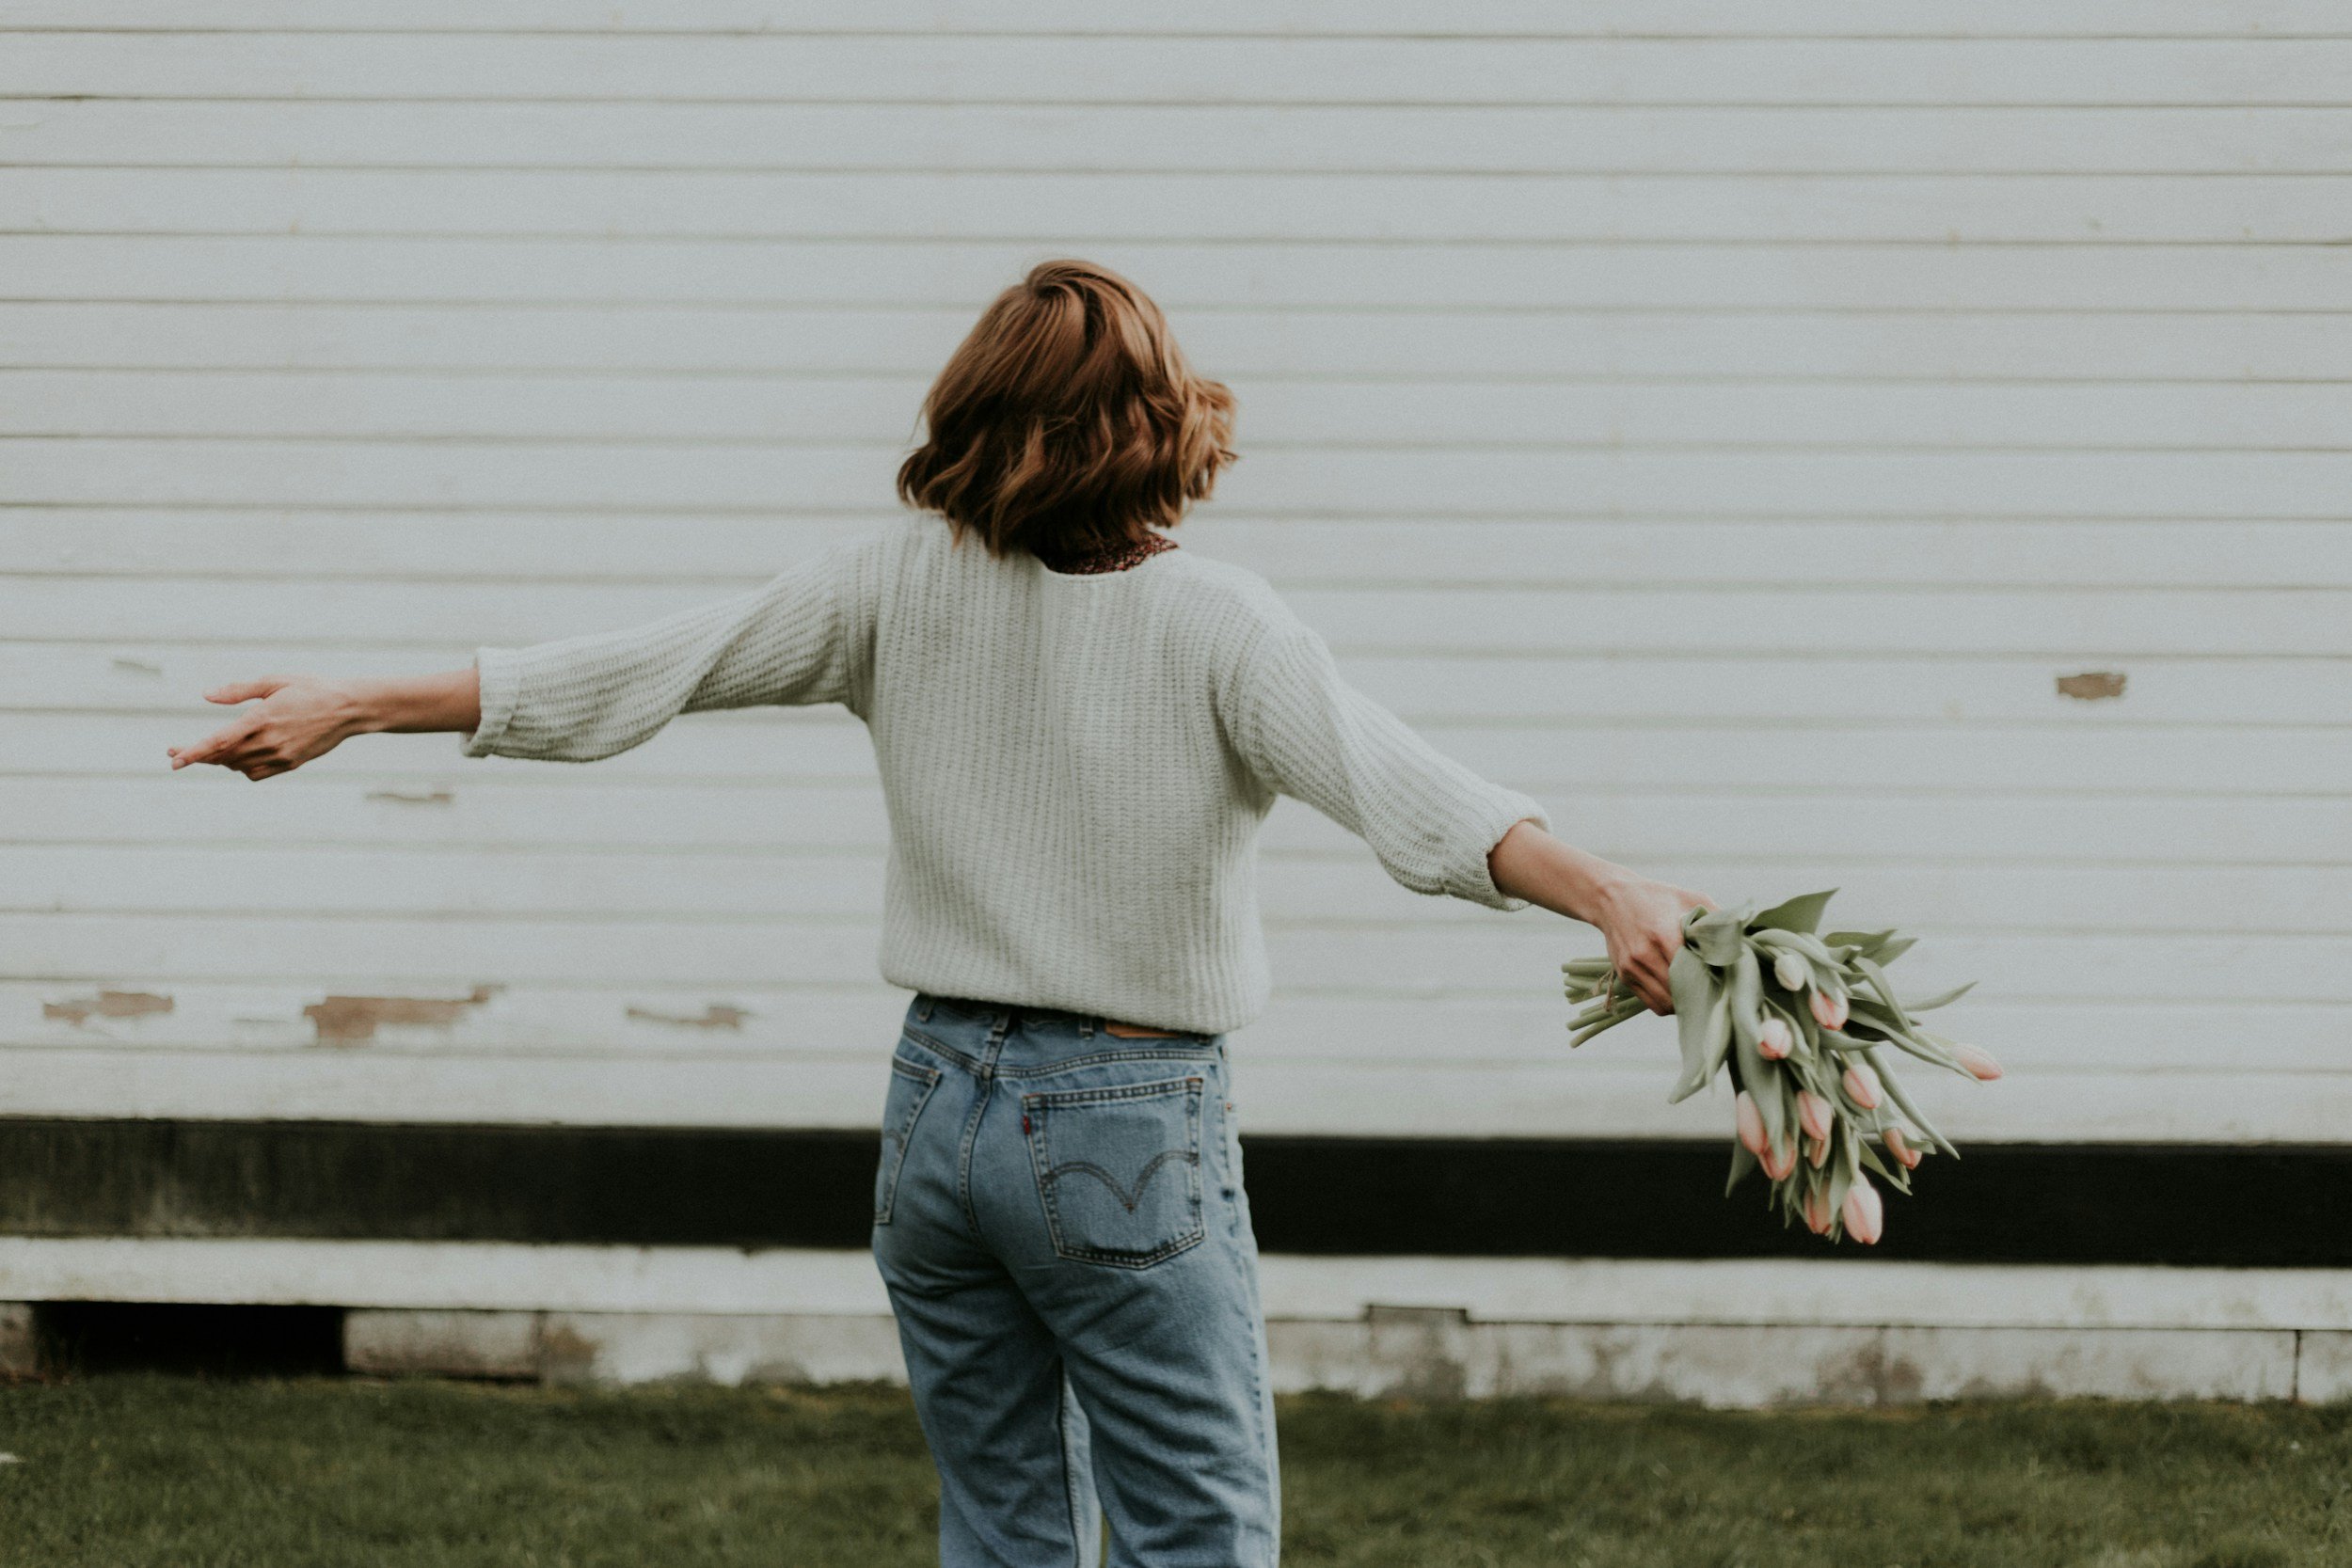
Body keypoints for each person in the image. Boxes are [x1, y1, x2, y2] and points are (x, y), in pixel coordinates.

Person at [170, 259, 1706, 1567]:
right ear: (1163, 425)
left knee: (1004, 1539)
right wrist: (1608, 891)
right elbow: (1419, 799)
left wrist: (359, 702)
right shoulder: (1221, 625)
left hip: (937, 1114)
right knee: (1199, 1537)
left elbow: (641, 671)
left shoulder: (896, 584)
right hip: (1124, 1123)